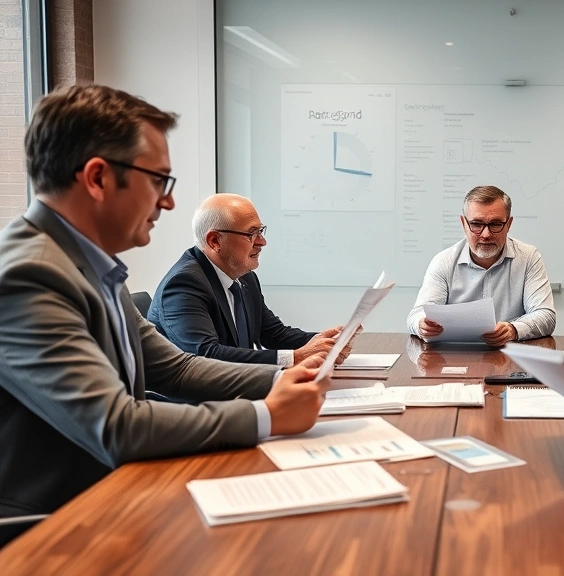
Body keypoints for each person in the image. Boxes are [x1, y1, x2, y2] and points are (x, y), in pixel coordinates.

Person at [0, 84, 329, 539]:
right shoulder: (28, 276)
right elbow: (116, 425)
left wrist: (286, 378)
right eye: (159, 180)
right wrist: (267, 415)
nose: (168, 202)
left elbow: (175, 369)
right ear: (97, 178)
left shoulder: (89, 263)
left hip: (115, 494)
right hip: (54, 527)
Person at [148, 194, 346, 366]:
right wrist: (295, 357)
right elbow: (207, 355)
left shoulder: (245, 277)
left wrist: (325, 341)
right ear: (215, 241)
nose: (262, 242)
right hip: (196, 404)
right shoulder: (183, 284)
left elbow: (273, 334)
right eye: (252, 233)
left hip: (237, 390)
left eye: (261, 231)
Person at [407, 185, 556, 346]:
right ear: (464, 223)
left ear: (508, 224)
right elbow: (416, 315)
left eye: (495, 224)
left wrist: (513, 329)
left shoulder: (528, 258)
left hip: (511, 357)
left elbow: (545, 314)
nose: (486, 234)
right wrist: (421, 325)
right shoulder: (443, 261)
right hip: (455, 357)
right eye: (477, 224)